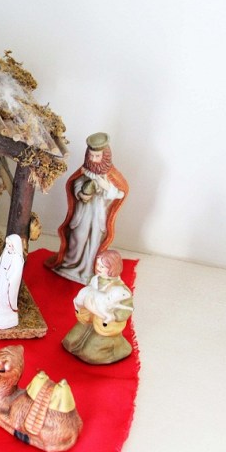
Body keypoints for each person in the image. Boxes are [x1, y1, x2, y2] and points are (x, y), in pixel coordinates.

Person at [47, 132, 128, 285]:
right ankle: (70, 264)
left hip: (99, 214)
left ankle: (87, 270)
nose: (93, 159)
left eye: (97, 156)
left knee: (94, 243)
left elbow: (120, 192)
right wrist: (81, 193)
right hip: (83, 212)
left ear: (105, 157)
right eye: (91, 155)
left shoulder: (109, 175)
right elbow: (76, 183)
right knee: (78, 237)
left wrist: (106, 186)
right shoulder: (85, 171)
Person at [62, 250, 134, 364]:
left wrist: (113, 315)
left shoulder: (120, 290)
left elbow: (126, 309)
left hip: (105, 325)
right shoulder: (95, 279)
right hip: (89, 318)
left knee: (90, 353)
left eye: (102, 266)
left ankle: (117, 348)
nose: (98, 268)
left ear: (113, 268)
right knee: (70, 341)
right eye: (98, 264)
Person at [0, 234, 25, 329]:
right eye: (7, 244)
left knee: (5, 295)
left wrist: (9, 279)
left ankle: (5, 312)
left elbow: (16, 274)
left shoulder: (17, 258)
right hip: (1, 277)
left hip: (8, 281)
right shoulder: (6, 252)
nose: (8, 246)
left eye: (10, 245)